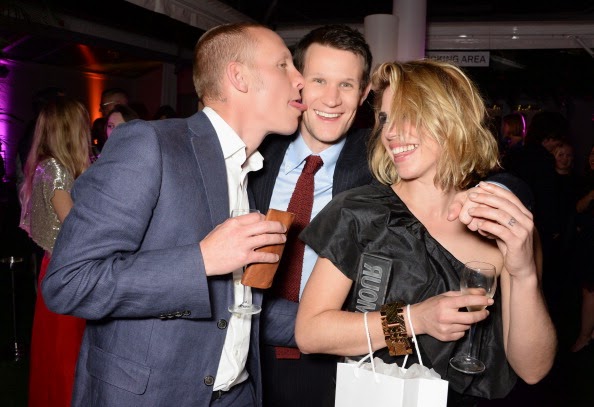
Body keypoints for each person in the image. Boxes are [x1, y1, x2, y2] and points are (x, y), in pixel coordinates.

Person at [250, 25, 534, 407]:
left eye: (346, 84)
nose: (332, 98)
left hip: (366, 374)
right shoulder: (253, 157)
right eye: (319, 80)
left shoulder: (381, 166)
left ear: (363, 92)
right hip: (258, 355)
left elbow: (484, 177)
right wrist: (412, 321)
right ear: (298, 83)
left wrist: (501, 199)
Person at [41, 22, 306, 407]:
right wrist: (202, 260)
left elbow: (239, 306)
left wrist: (380, 327)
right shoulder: (150, 144)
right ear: (239, 76)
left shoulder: (247, 172)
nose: (300, 80)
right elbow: (69, 282)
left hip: (236, 395)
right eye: (284, 65)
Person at [19, 96, 90, 407]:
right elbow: (76, 226)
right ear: (70, 130)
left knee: (57, 353)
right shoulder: (55, 169)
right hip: (65, 270)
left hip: (58, 266)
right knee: (64, 357)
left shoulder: (48, 166)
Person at [571, 144, 594, 352]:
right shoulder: (583, 181)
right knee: (588, 290)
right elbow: (577, 209)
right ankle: (586, 335)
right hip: (587, 242)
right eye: (592, 153)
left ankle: (585, 336)